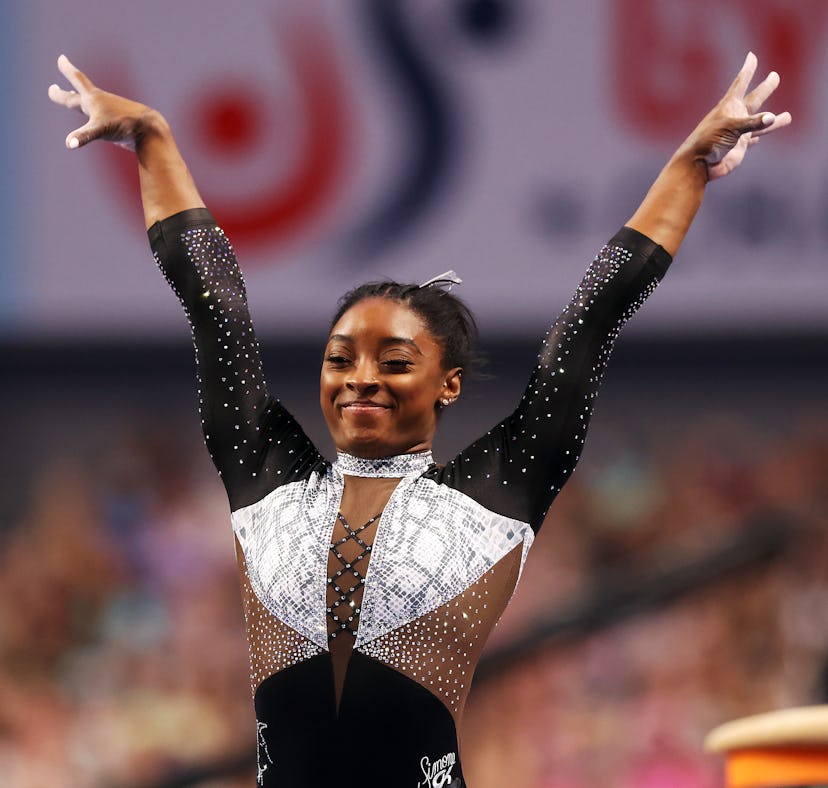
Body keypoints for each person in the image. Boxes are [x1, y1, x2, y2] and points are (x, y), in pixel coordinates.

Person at [49, 52, 790, 787]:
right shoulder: (266, 482)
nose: (361, 378)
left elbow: (590, 322)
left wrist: (690, 167)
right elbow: (216, 307)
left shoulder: (488, 503)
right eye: (342, 358)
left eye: (395, 361)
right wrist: (153, 139)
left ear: (449, 385)